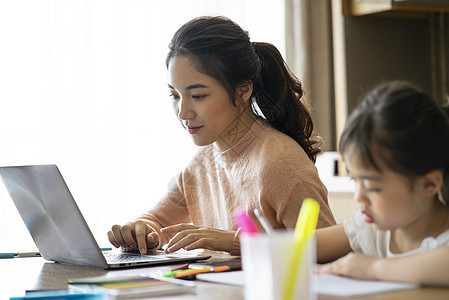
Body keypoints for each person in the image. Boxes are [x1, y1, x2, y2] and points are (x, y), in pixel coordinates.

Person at [107, 16, 335, 256]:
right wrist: (140, 232)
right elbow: (156, 220)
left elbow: (330, 254)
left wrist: (236, 242)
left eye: (198, 96)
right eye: (175, 96)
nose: (183, 112)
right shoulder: (202, 162)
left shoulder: (281, 163)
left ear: (243, 90)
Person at [316, 81, 449, 286]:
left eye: (373, 188)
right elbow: (305, 245)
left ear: (429, 184)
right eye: (355, 180)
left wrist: (372, 268)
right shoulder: (371, 228)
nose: (358, 197)